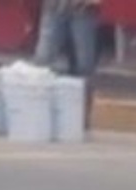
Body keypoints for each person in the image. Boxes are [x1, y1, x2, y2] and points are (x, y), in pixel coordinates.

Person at [34, 0, 100, 131]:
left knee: (84, 65)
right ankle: (37, 112)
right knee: (43, 60)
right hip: (55, 6)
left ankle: (79, 119)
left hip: (84, 9)